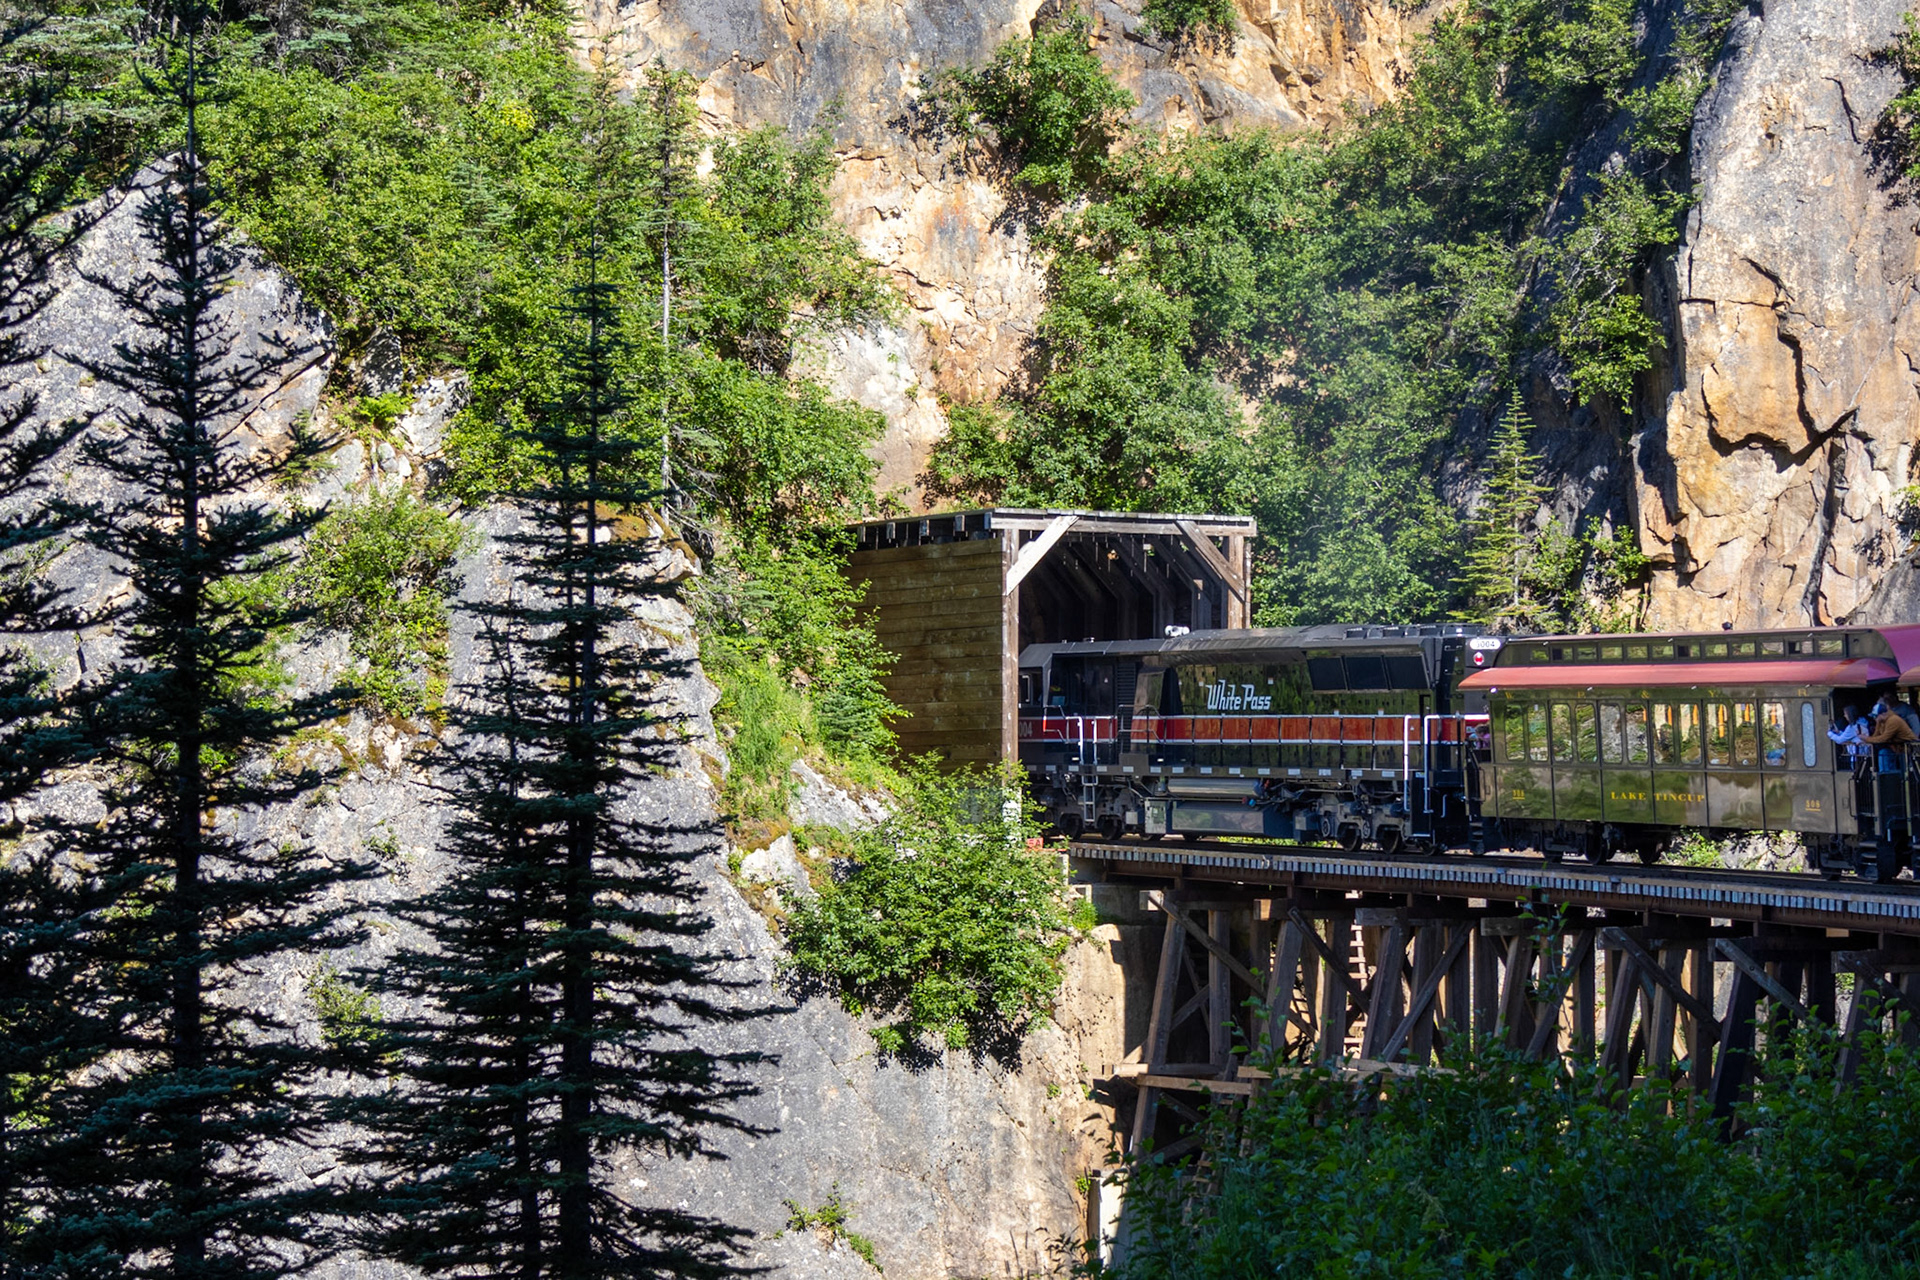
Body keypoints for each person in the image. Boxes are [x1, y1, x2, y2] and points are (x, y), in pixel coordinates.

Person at [1864, 698, 1917, 774]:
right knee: (1885, 753)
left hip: (1909, 748)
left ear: (1883, 714)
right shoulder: (1882, 721)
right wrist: (1868, 739)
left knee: (1908, 770)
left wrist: (1866, 739)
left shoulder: (1893, 720)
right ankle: (1887, 778)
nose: (1874, 719)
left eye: (1875, 716)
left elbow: (1884, 738)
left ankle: (1891, 778)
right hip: (1897, 748)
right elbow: (1876, 735)